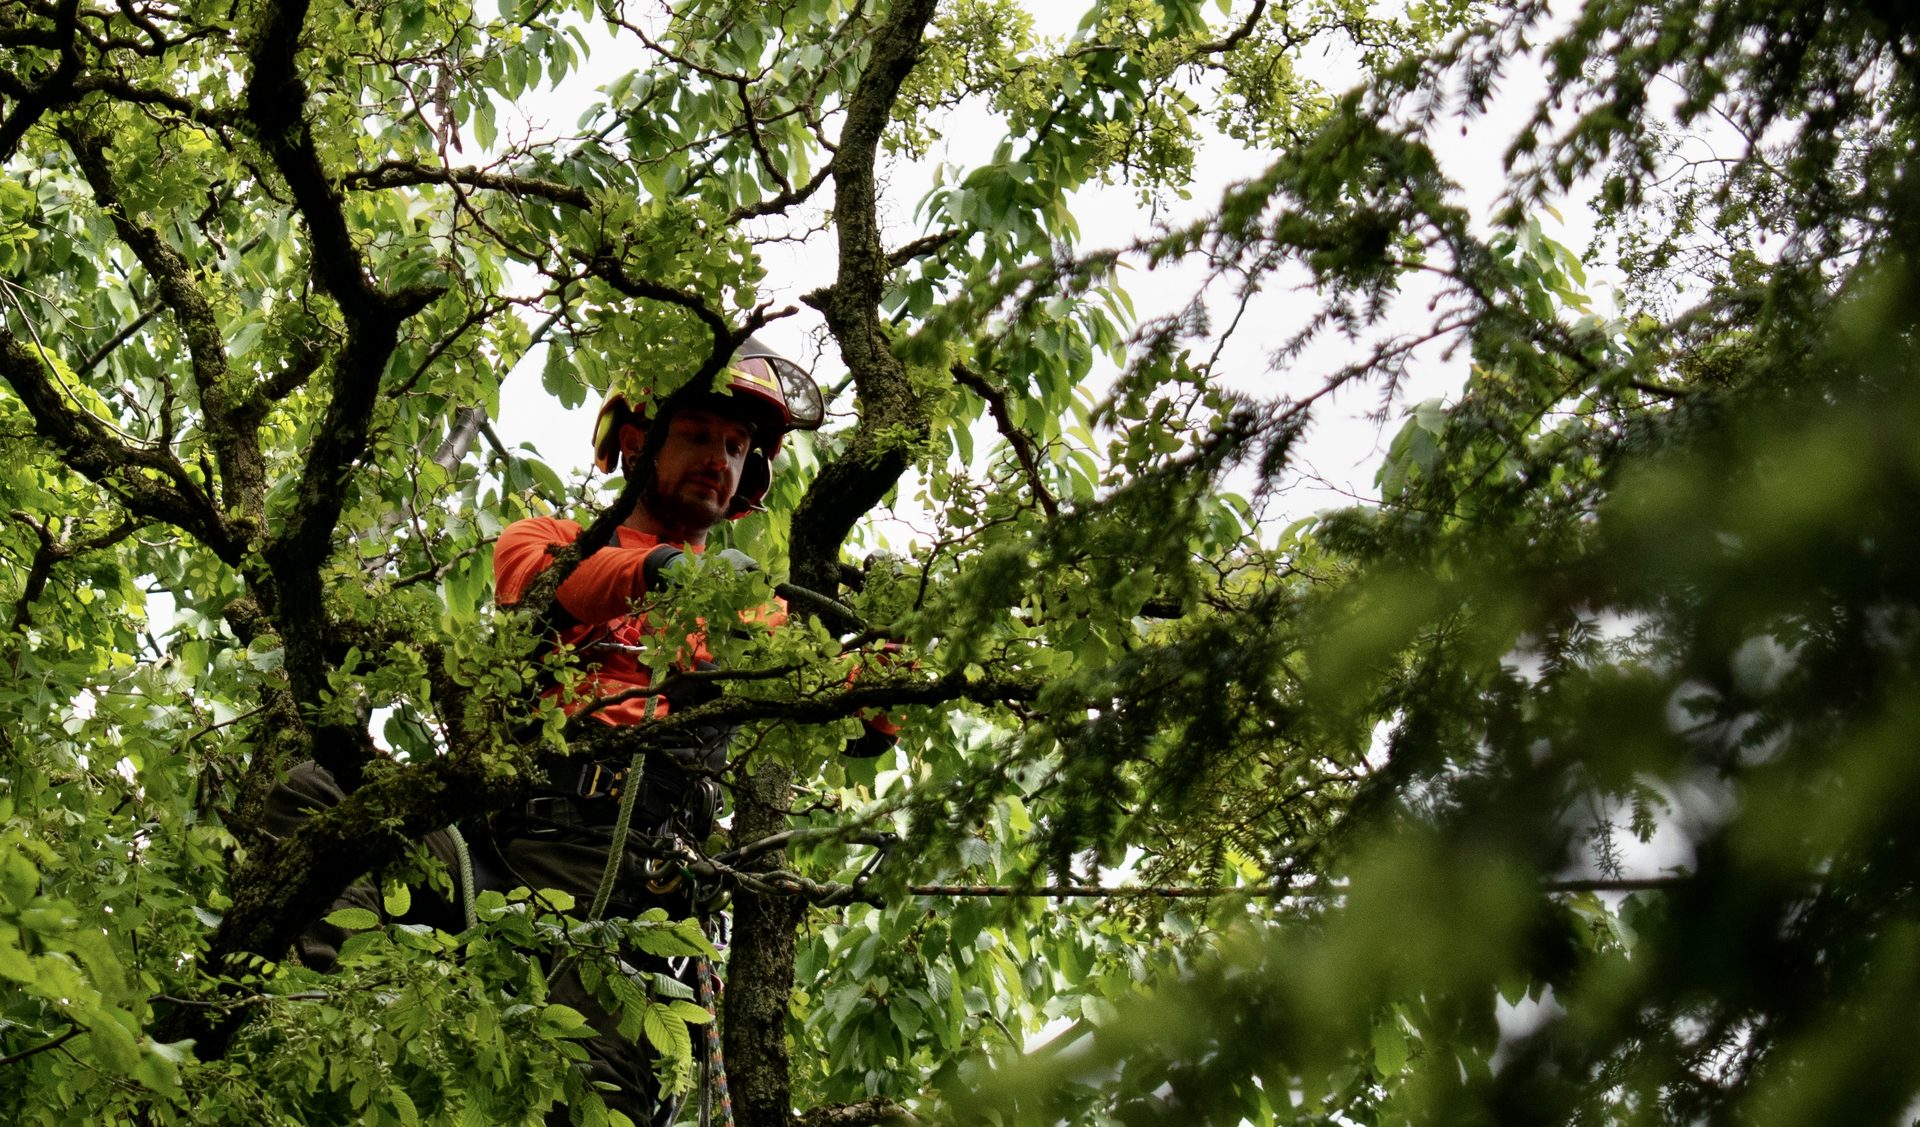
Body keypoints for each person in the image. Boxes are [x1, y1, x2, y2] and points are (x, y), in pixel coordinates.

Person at [488, 337, 828, 1125]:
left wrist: (879, 685)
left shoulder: (753, 611)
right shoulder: (546, 538)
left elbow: (820, 678)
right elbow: (551, 591)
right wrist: (655, 570)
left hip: (638, 871)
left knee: (595, 1087)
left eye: (738, 447)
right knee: (321, 796)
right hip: (518, 839)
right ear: (637, 445)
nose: (722, 457)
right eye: (701, 435)